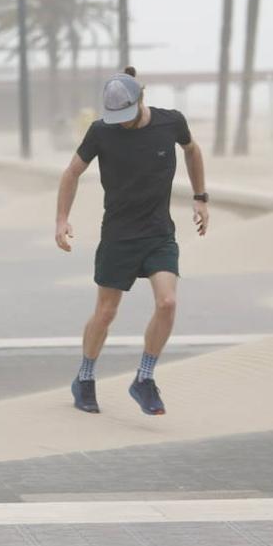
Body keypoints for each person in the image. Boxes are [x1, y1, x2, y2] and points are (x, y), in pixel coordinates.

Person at [54, 67, 209, 416]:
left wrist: (201, 196)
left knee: (167, 302)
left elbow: (192, 150)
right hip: (119, 236)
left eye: (127, 115)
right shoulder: (101, 131)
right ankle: (85, 377)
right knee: (106, 312)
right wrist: (62, 219)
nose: (121, 123)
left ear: (141, 99)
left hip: (158, 233)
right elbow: (72, 172)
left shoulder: (171, 122)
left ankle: (144, 378)